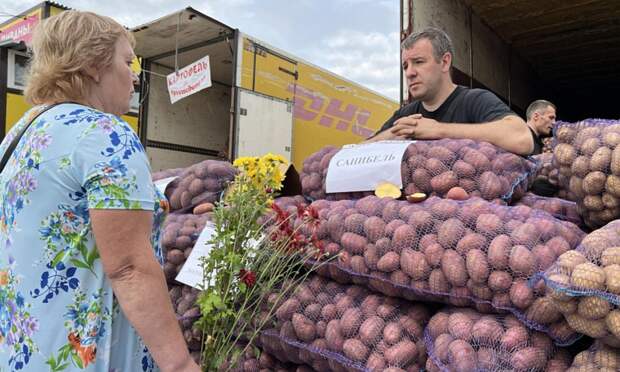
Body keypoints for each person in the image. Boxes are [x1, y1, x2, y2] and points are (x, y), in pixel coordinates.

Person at [0, 11, 200, 372]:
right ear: (94, 65)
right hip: (87, 355)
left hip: (24, 350)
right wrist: (181, 364)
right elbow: (129, 268)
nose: (135, 75)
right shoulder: (105, 134)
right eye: (127, 61)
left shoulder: (22, 131)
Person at [367, 27, 534, 156]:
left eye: (418, 62)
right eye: (405, 66)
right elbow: (353, 155)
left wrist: (439, 130)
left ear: (445, 62)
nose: (410, 72)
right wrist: (392, 134)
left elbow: (522, 139)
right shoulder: (405, 117)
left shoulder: (474, 100)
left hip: (471, 200)